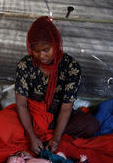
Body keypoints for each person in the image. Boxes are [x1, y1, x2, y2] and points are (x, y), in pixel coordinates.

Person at [15, 16, 99, 154]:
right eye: (36, 51)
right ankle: (39, 134)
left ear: (55, 44)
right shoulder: (25, 65)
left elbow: (66, 107)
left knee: (91, 125)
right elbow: (21, 105)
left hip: (59, 115)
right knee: (2, 124)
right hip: (33, 116)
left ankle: (50, 134)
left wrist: (56, 139)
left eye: (46, 50)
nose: (41, 56)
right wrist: (31, 136)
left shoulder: (71, 66)